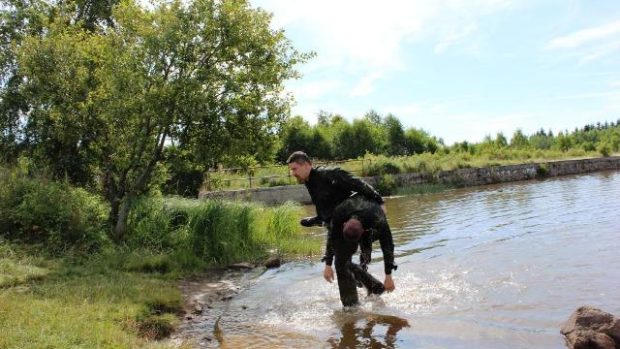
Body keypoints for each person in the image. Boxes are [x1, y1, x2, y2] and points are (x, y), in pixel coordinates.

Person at [286, 151, 395, 306]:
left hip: (351, 220)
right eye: (291, 170)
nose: (293, 173)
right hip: (336, 223)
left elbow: (356, 183)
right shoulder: (309, 182)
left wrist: (378, 199)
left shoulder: (328, 174)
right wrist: (317, 219)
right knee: (343, 262)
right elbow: (324, 205)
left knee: (341, 264)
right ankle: (374, 288)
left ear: (306, 165)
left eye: (295, 169)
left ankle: (351, 307)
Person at [329, 194, 397, 306]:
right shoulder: (341, 211)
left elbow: (388, 246)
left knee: (364, 255)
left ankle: (370, 284)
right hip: (350, 219)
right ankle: (368, 284)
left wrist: (388, 275)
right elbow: (333, 237)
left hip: (370, 223)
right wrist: (328, 263)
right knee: (343, 261)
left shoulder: (378, 220)